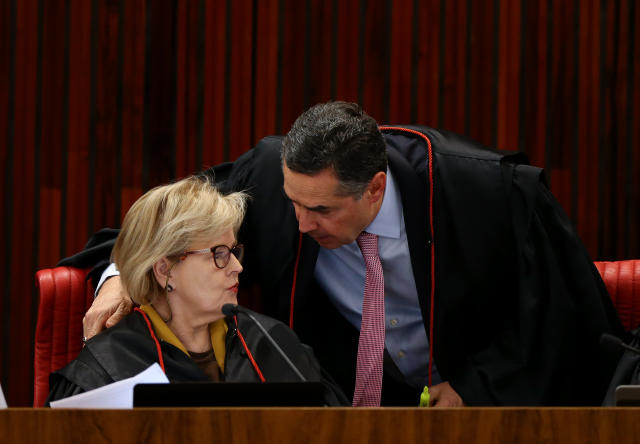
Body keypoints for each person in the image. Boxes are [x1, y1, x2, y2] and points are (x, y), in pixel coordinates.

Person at [62, 101, 624, 407]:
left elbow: (553, 313)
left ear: (374, 190)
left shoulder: (490, 196)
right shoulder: (274, 180)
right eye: (292, 204)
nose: (300, 225)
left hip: (473, 405)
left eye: (324, 212)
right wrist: (118, 276)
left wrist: (476, 391)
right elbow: (169, 225)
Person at [48, 175, 347, 406]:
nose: (237, 267)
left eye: (234, 251)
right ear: (165, 269)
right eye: (218, 253)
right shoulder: (106, 369)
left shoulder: (272, 343)